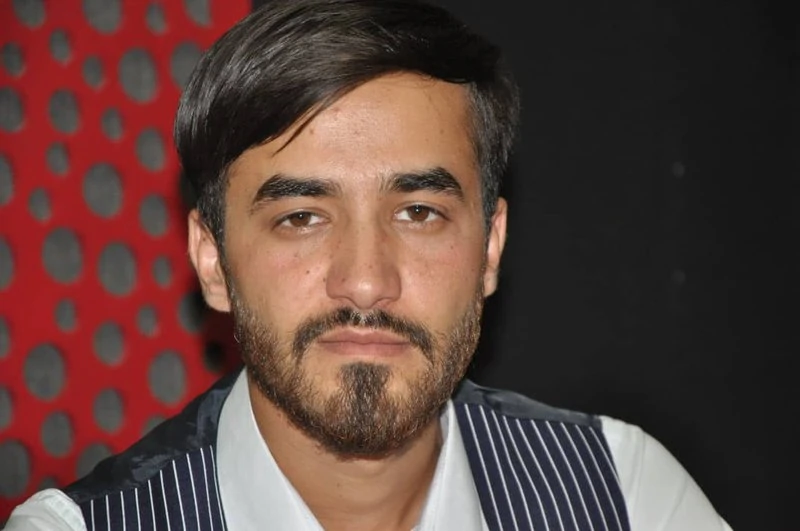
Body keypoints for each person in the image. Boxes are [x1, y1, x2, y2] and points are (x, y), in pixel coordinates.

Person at [5, 0, 732, 529]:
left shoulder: (621, 494)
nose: (365, 281)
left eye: (418, 212)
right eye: (301, 217)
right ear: (213, 260)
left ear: (490, 247)